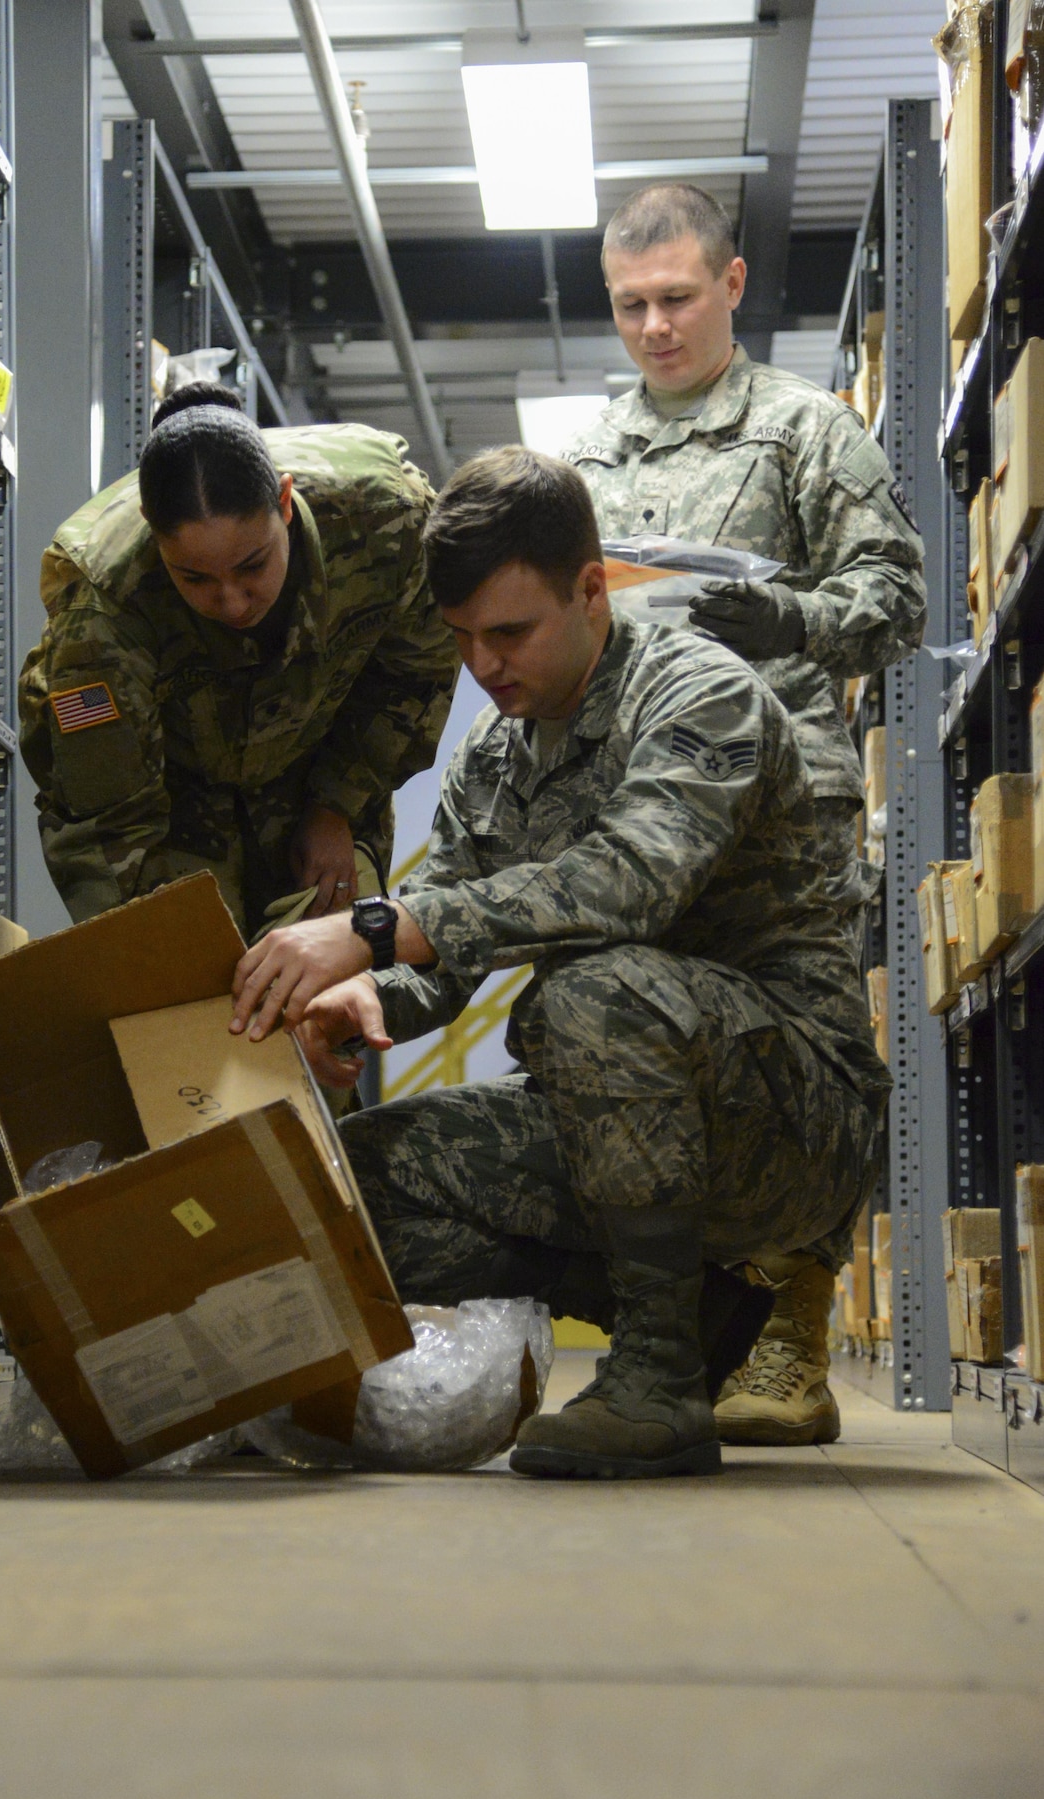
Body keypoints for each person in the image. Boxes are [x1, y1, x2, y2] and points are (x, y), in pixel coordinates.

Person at [226, 449, 890, 1480]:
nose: (484, 667)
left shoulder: (700, 696)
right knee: (356, 1187)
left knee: (596, 989)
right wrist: (368, 998)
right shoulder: (496, 760)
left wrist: (366, 929)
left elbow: (625, 884)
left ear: (590, 591)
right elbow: (434, 962)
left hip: (792, 1117)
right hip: (614, 1117)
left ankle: (660, 1377)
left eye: (509, 633)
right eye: (461, 641)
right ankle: (693, 1308)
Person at [562, 182, 927, 1446]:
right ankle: (683, 1327)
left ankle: (795, 1335)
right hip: (642, 811)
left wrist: (794, 621)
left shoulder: (804, 430)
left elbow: (896, 595)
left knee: (804, 1055)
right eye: (628, 305)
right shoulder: (590, 457)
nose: (653, 326)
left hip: (783, 808)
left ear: (728, 285)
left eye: (674, 297)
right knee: (648, 1054)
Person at [18, 384, 459, 941]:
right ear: (156, 541)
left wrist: (337, 806)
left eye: (252, 565)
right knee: (189, 993)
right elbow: (106, 819)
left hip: (322, 763)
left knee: (335, 982)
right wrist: (163, 942)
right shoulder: (103, 607)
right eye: (194, 578)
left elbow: (414, 674)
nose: (231, 601)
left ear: (283, 501)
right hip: (174, 797)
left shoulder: (387, 521)